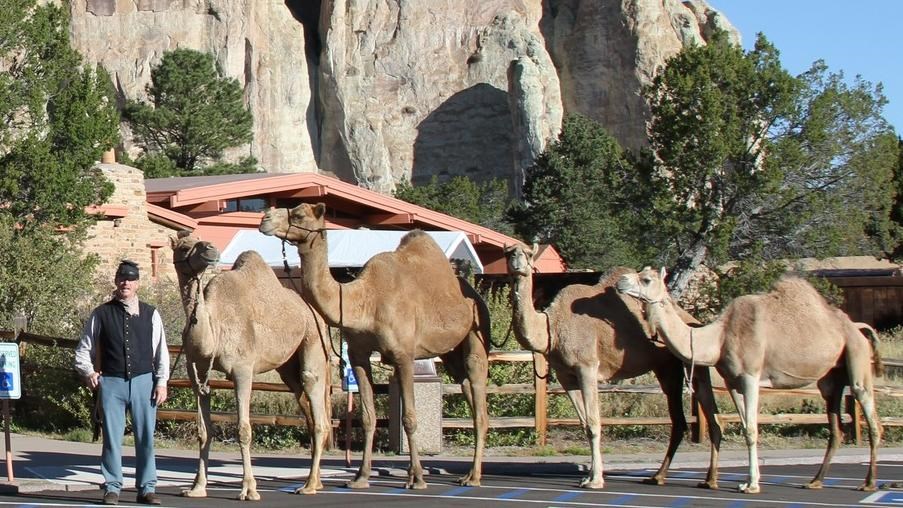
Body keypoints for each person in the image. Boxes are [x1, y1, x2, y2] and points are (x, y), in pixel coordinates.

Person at [75, 260, 170, 506]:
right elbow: (84, 348)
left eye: (130, 279)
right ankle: (112, 487)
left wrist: (162, 382)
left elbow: (161, 352)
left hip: (144, 382)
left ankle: (147, 488)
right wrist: (89, 372)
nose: (125, 282)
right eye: (122, 278)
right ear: (116, 281)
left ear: (137, 283)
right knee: (111, 437)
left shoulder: (151, 313)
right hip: (112, 382)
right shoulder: (101, 313)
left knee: (146, 437)